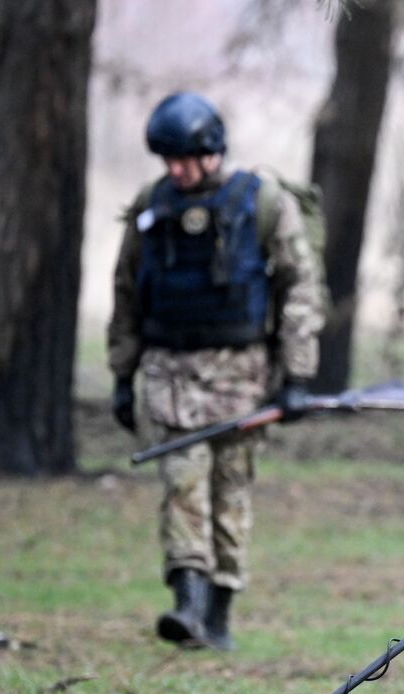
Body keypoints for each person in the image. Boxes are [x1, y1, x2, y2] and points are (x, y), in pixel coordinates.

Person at [108, 92, 324, 651]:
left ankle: (219, 614)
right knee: (182, 484)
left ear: (211, 152)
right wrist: (121, 374)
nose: (175, 172)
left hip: (241, 379)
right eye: (167, 161)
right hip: (170, 376)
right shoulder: (151, 205)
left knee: (230, 494)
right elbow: (128, 289)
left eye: (183, 159)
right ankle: (187, 605)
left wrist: (297, 378)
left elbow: (300, 286)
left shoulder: (264, 202)